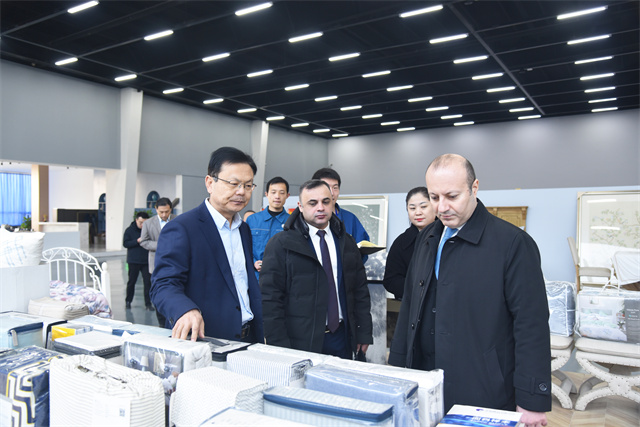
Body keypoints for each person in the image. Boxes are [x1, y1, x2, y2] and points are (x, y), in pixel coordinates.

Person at [388, 154, 550, 427]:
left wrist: (532, 400)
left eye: (452, 196)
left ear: (474, 188)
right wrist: (398, 370)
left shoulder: (512, 244)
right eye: (434, 197)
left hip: (483, 387)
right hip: (424, 381)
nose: (442, 207)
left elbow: (531, 325)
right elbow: (410, 308)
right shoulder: (427, 237)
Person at [150, 146, 263, 344]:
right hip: (205, 340)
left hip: (248, 337)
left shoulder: (243, 229)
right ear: (210, 183)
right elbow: (163, 285)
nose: (241, 192)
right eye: (234, 183)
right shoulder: (182, 228)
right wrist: (184, 309)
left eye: (248, 186)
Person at [260, 179, 373, 359]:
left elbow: (359, 290)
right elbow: (270, 300)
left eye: (325, 202)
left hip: (341, 337)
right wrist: (279, 347)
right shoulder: (281, 244)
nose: (320, 208)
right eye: (312, 203)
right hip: (300, 342)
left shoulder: (346, 242)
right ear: (300, 207)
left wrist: (364, 332)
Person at [383, 187, 435, 300]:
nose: (418, 212)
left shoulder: (448, 237)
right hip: (412, 304)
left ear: (435, 206)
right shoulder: (401, 243)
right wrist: (418, 288)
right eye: (412, 208)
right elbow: (390, 281)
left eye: (423, 207)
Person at [245, 176, 290, 278]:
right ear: (266, 194)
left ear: (287, 195)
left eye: (282, 193)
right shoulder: (252, 220)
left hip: (282, 277)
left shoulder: (292, 222)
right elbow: (244, 246)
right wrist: (253, 262)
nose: (277, 196)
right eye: (273, 192)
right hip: (255, 276)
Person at [123, 211, 151, 310]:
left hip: (146, 261)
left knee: (148, 283)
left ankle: (148, 304)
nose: (142, 225)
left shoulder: (148, 230)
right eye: (140, 222)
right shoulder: (129, 230)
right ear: (136, 220)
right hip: (133, 261)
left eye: (145, 223)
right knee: (132, 282)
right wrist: (137, 241)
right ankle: (128, 301)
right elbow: (125, 244)